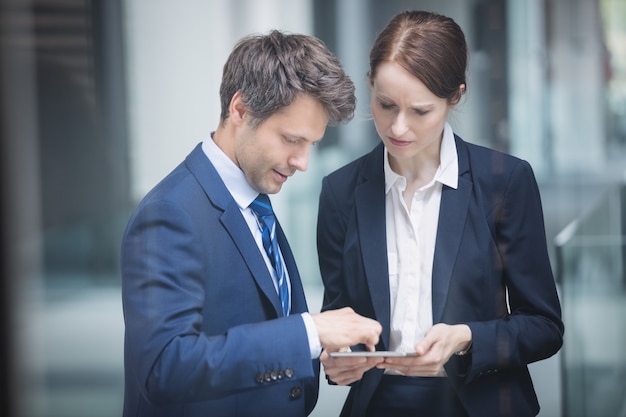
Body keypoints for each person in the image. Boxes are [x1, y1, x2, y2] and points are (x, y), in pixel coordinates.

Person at [120, 30, 382, 417]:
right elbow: (164, 367)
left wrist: (322, 352)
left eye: (311, 143)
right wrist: (308, 333)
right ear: (240, 110)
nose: (302, 162)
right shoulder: (171, 214)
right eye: (291, 139)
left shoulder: (254, 198)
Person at [316, 10, 564, 417]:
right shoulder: (341, 192)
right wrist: (340, 356)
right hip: (379, 405)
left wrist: (466, 337)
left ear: (456, 96)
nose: (398, 127)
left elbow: (544, 327)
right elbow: (339, 316)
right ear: (369, 88)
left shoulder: (505, 183)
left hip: (480, 402)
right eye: (385, 104)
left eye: (420, 111)